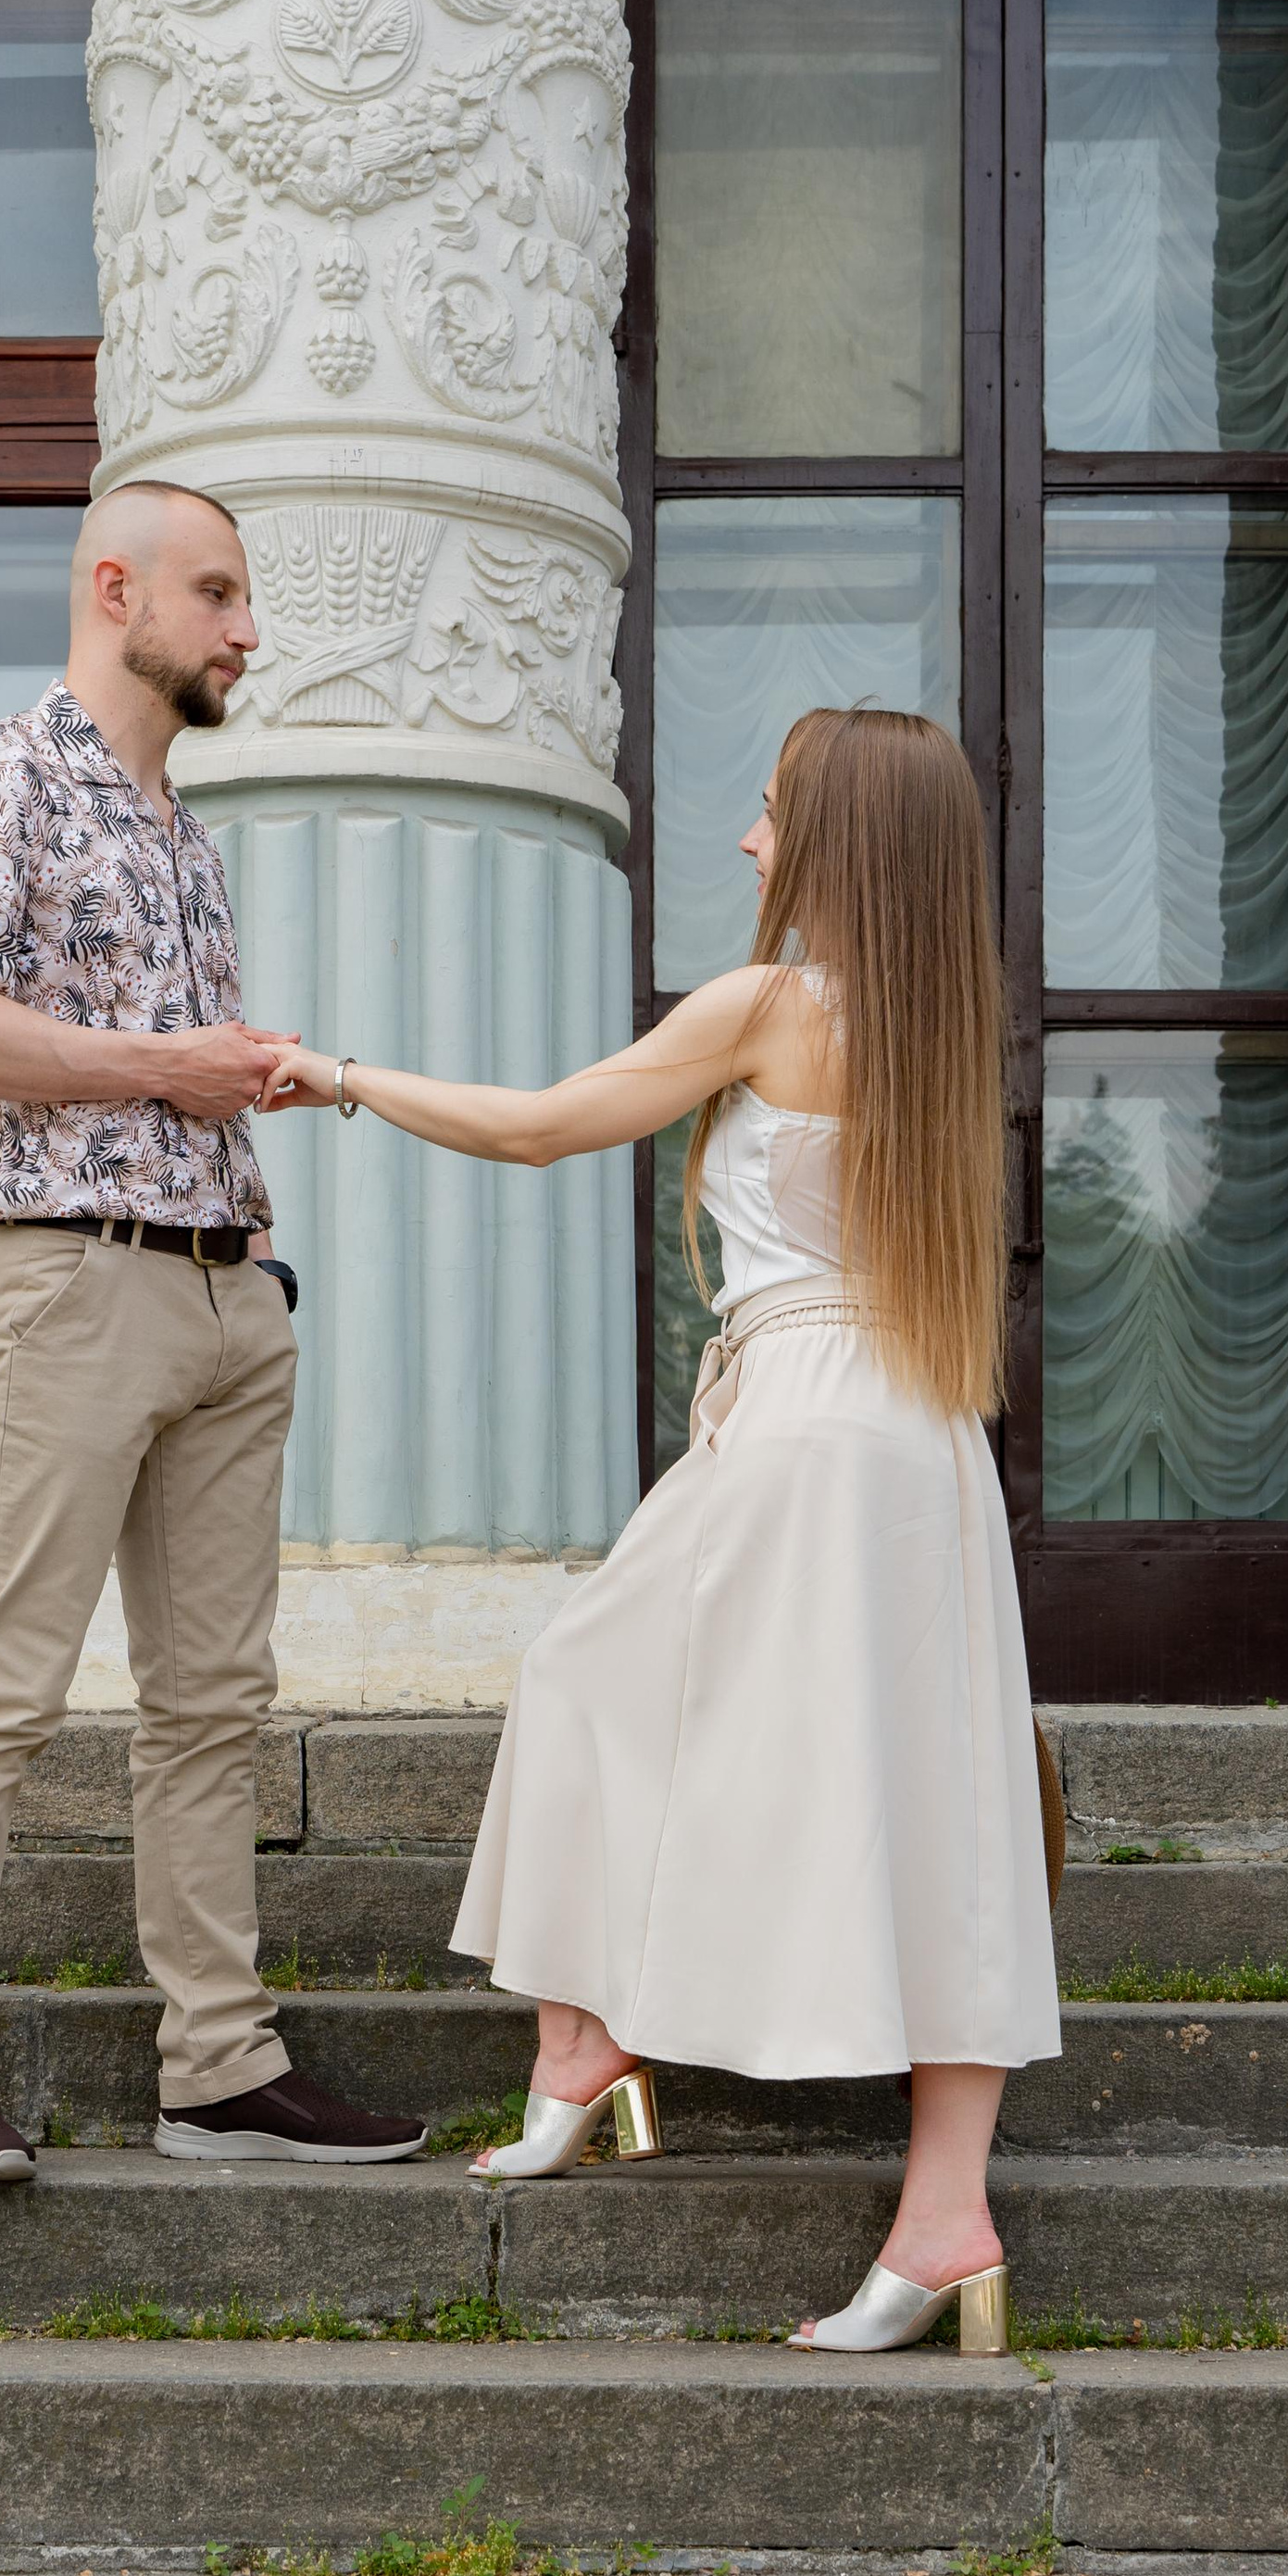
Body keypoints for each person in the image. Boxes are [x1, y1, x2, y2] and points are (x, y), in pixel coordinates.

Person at [266, 707, 1059, 2348]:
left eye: (771, 812)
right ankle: (943, 2220)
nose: (750, 841)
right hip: (923, 1435)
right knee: (944, 1801)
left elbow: (543, 1125)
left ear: (837, 840)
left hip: (802, 1419)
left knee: (582, 1680)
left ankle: (586, 2044)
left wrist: (333, 1075)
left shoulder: (770, 1004)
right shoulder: (939, 1029)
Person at [0, 478, 424, 2185]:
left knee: (213, 1703)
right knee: (7, 1683)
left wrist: (237, 1173)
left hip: (226, 1297)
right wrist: (164, 1066)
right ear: (118, 592)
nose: (249, 630)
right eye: (221, 593)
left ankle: (220, 2066)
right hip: (72, 1285)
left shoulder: (182, 830)